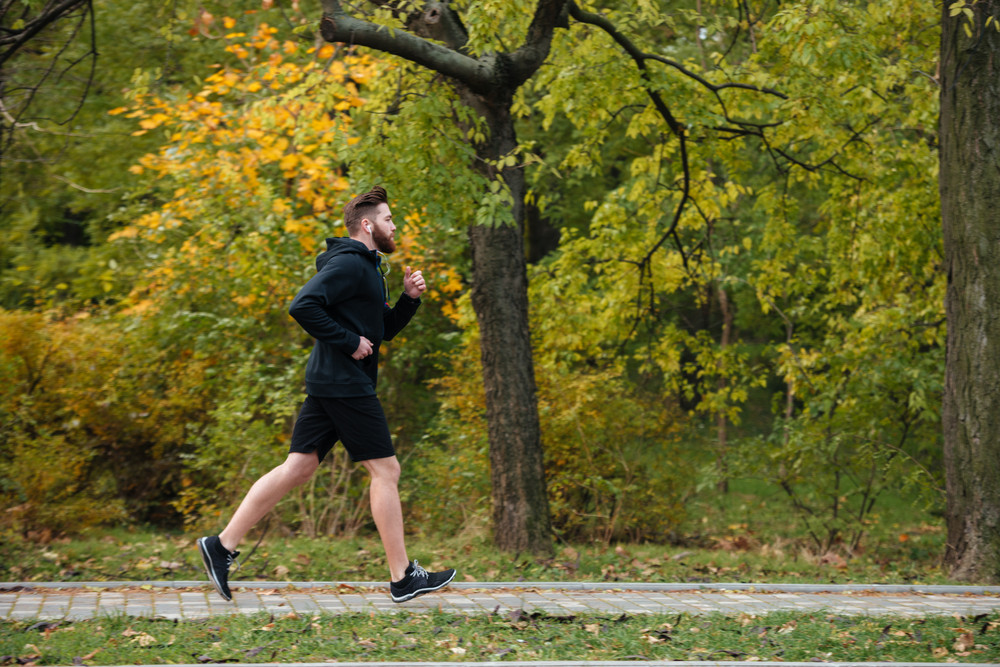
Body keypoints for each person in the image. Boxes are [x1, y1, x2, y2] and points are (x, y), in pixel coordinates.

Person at [197, 185, 455, 604]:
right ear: (368, 225)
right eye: (389, 219)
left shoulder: (369, 268)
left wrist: (408, 300)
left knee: (298, 467)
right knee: (386, 472)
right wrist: (349, 341)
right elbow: (302, 305)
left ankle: (221, 546)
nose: (395, 226)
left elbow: (381, 332)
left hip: (332, 381)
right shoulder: (352, 265)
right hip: (345, 383)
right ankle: (403, 577)